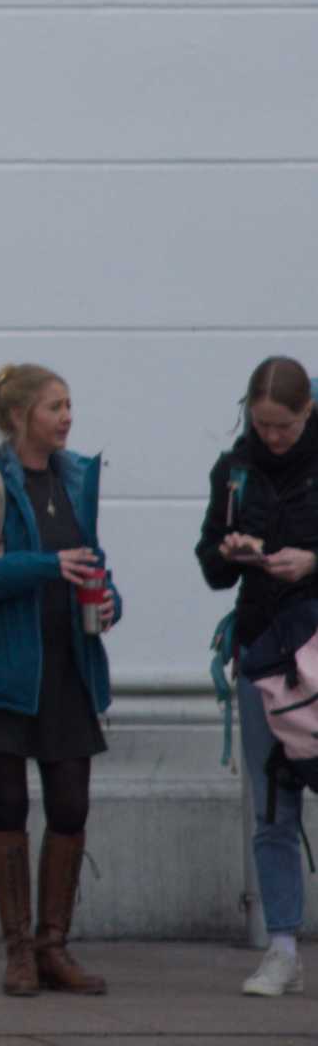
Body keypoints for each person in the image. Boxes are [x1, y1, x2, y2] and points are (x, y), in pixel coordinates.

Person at [0, 361, 119, 996]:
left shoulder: (75, 483)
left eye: (69, 405)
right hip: (2, 676)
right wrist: (45, 566)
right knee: (9, 806)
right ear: (20, 417)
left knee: (70, 807)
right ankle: (19, 951)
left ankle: (53, 947)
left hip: (68, 670)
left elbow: (92, 564)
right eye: (54, 407)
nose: (67, 417)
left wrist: (109, 602)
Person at [198, 355, 317, 999]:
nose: (272, 436)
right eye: (261, 423)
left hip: (314, 643)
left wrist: (312, 562)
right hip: (262, 650)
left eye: (284, 426)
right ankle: (282, 947)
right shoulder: (234, 470)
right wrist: (230, 552)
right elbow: (211, 565)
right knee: (272, 803)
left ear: (308, 412)